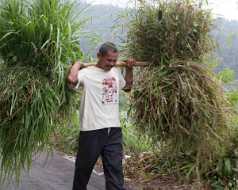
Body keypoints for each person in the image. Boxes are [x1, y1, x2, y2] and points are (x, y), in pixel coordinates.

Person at [67, 42, 135, 190]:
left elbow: (128, 86)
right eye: (108, 60)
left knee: (115, 172)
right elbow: (72, 80)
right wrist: (77, 64)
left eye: (114, 61)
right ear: (99, 56)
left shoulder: (116, 72)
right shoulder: (87, 72)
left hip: (113, 130)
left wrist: (129, 69)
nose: (111, 64)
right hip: (92, 129)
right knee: (83, 172)